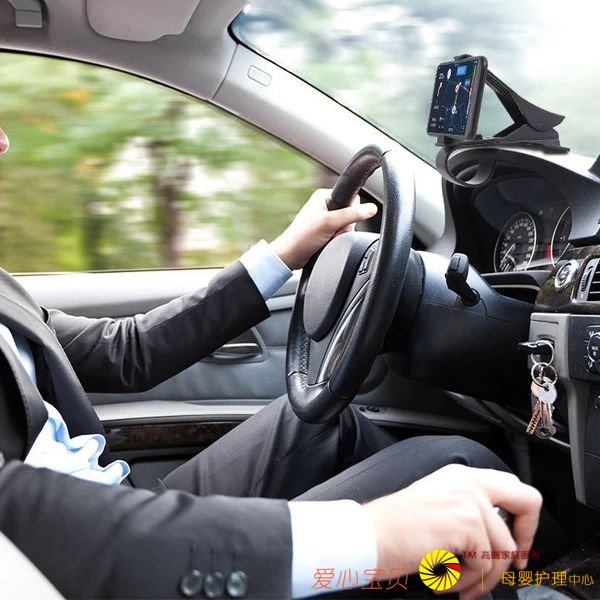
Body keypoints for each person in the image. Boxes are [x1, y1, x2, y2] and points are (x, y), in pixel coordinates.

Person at [0, 125, 541, 600]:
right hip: (88, 565)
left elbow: (123, 352)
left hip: (102, 507)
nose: (4, 141)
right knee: (454, 467)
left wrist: (284, 254)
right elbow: (41, 533)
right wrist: (373, 535)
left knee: (320, 423)